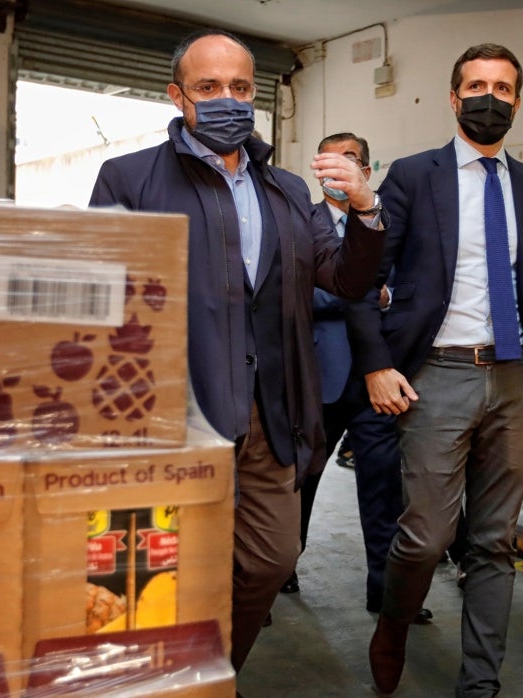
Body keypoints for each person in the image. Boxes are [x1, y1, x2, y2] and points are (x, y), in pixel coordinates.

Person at [87, 30, 385, 673]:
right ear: (178, 96)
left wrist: (365, 210)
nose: (228, 100)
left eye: (242, 88)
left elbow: (347, 279)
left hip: (269, 412)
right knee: (167, 569)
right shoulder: (130, 179)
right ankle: (168, 681)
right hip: (175, 413)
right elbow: (104, 304)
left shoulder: (284, 191)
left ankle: (213, 672)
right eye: (209, 88)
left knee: (272, 558)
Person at [347, 43, 523, 697]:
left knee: (495, 543)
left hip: (515, 378)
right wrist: (376, 365)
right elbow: (360, 280)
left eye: (502, 87)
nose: (489, 96)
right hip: (437, 375)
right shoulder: (413, 176)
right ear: (454, 96)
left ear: (517, 101)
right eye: (476, 85)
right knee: (426, 537)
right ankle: (394, 626)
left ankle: (480, 683)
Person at [286, 131, 432, 625]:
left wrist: (383, 294)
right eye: (333, 161)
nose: (343, 169)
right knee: (301, 481)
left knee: (383, 488)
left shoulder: (390, 222)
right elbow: (301, 296)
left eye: (354, 160)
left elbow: (408, 287)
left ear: (368, 171)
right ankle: (280, 568)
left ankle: (386, 592)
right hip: (318, 378)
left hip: (379, 379)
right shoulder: (298, 222)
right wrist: (372, 294)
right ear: (318, 170)